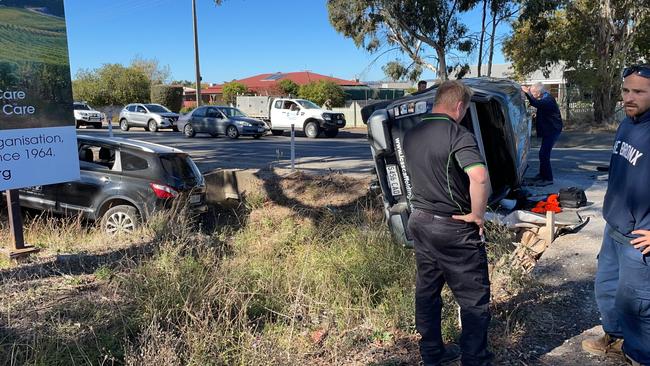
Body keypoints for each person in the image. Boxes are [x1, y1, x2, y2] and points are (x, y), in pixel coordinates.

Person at [404, 80, 493, 366]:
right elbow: (478, 176)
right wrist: (477, 215)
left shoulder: (411, 133)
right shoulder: (458, 134)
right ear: (459, 106)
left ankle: (432, 354)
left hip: (419, 221)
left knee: (428, 291)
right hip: (453, 228)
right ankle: (474, 359)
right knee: (473, 299)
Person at [581, 64, 650, 366]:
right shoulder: (626, 124)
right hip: (614, 228)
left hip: (640, 239)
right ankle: (615, 339)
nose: (629, 98)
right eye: (626, 90)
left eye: (639, 92)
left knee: (638, 307)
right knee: (607, 291)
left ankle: (639, 356)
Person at [521, 83, 563, 186]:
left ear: (539, 92)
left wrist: (527, 93)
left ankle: (548, 178)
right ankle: (542, 175)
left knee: (544, 154)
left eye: (533, 92)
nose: (532, 93)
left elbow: (536, 103)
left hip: (552, 130)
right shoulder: (544, 98)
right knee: (543, 154)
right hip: (549, 129)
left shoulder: (548, 99)